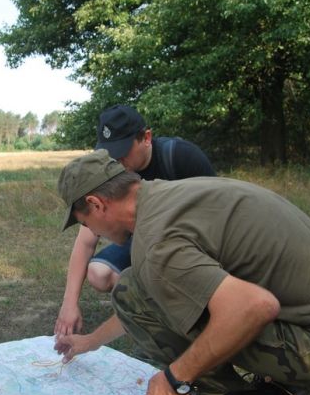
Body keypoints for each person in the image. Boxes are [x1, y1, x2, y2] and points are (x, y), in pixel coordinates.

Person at [54, 150, 310, 395]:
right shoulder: (171, 195)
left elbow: (254, 306)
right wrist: (92, 341)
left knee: (130, 287)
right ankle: (284, 388)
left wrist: (175, 379)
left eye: (86, 223)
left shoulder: (158, 242)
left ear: (97, 205)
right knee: (139, 285)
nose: (93, 234)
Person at [55, 104, 216, 336]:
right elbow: (86, 240)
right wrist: (69, 304)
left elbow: (214, 215)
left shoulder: (180, 157)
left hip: (189, 241)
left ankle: (172, 304)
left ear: (146, 138)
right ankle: (149, 304)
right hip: (139, 241)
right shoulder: (107, 172)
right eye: (109, 153)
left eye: (122, 151)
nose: (116, 161)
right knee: (99, 273)